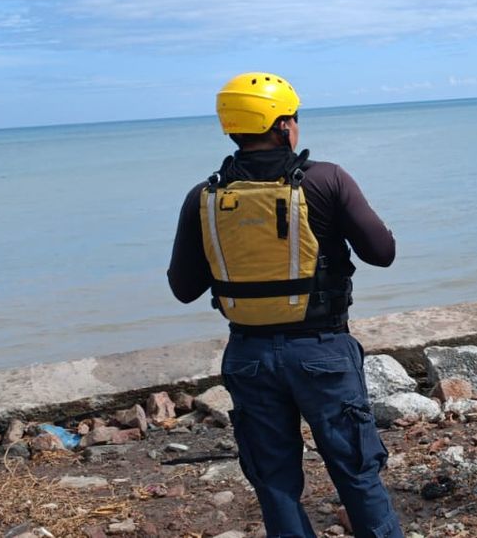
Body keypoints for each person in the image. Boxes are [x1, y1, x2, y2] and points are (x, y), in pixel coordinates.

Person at [168, 72, 403, 537]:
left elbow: (183, 287)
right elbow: (383, 253)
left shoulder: (204, 197)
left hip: (249, 356)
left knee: (273, 481)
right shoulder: (327, 179)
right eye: (292, 118)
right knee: (356, 470)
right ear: (282, 126)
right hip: (323, 352)